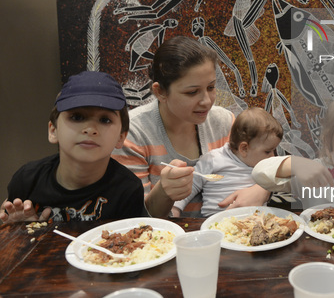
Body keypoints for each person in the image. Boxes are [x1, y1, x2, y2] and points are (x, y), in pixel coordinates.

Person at [112, 36, 270, 218]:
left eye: (211, 87)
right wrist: (164, 192)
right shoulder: (133, 133)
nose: (206, 101)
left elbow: (271, 168)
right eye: (192, 92)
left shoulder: (225, 122)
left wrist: (262, 190)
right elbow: (136, 219)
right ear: (160, 92)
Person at [1, 71, 145, 223]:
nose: (90, 129)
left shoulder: (128, 189)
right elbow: (11, 233)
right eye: (77, 117)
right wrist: (18, 232)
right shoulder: (27, 180)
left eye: (105, 120)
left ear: (121, 136)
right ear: (53, 130)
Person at [172, 107, 283, 217]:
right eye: (268, 151)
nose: (272, 156)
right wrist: (175, 208)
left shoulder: (264, 164)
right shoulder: (213, 159)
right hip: (215, 221)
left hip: (255, 222)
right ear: (244, 148)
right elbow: (192, 184)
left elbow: (282, 179)